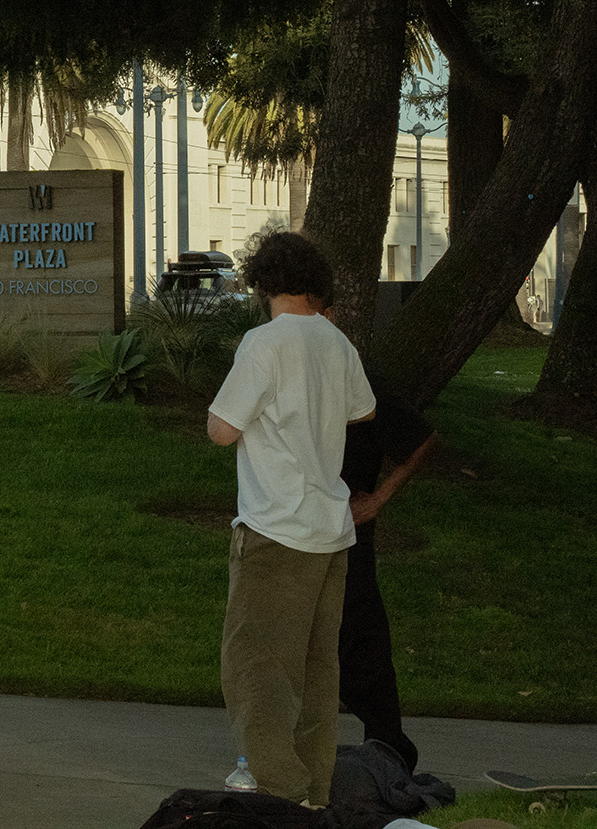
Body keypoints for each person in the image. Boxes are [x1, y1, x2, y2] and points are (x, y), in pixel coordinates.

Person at [206, 232, 375, 807]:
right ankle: (314, 795)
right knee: (317, 675)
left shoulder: (264, 342)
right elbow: (364, 410)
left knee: (255, 673)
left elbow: (222, 429)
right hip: (331, 532)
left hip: (276, 530)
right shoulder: (337, 341)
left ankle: (283, 795)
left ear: (263, 282)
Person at [335, 365, 435, 771]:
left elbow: (420, 439)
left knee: (360, 638)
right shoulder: (282, 372)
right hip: (295, 527)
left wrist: (377, 500)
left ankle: (388, 747)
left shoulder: (358, 379)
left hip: (347, 531)